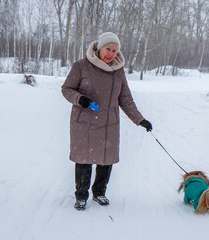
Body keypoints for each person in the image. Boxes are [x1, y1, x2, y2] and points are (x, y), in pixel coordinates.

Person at [61, 32, 153, 211]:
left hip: (108, 123)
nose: (110, 54)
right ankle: (81, 196)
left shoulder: (118, 71)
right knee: (84, 159)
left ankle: (99, 192)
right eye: (108, 49)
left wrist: (140, 119)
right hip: (84, 122)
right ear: (99, 48)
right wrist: (81, 99)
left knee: (106, 160)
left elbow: (125, 98)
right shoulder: (81, 66)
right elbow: (66, 89)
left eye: (114, 50)